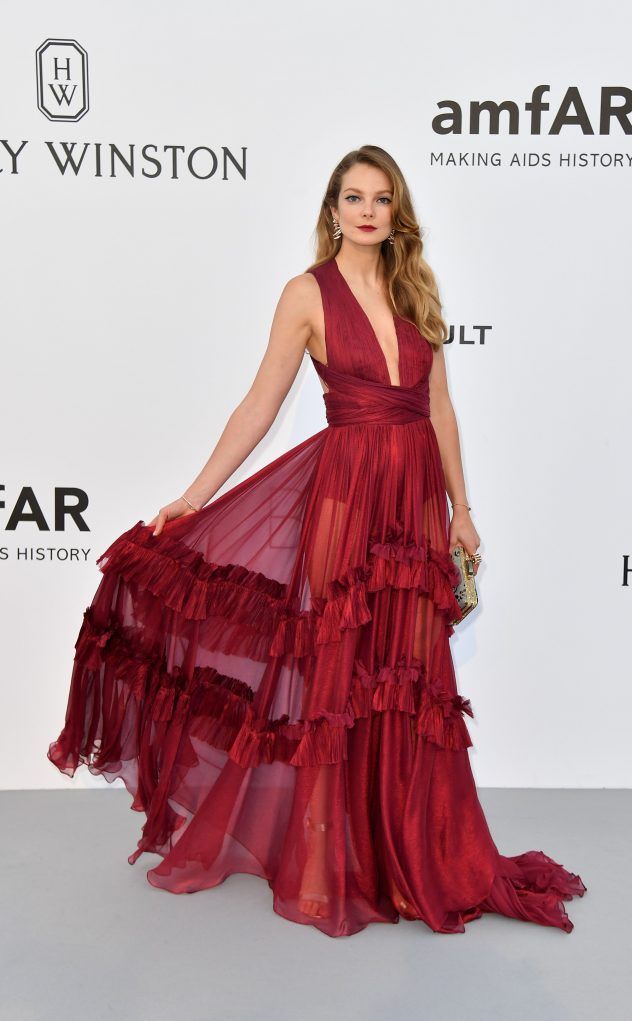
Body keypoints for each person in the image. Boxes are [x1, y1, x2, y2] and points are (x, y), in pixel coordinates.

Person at [47, 144, 586, 937]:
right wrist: (195, 496)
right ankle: (336, 856)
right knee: (339, 677)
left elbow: (438, 408)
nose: (366, 210)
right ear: (332, 210)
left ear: (395, 211)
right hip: (346, 495)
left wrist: (461, 509)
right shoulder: (306, 293)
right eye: (352, 196)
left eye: (380, 198)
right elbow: (259, 405)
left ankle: (409, 851)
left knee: (406, 679)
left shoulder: (415, 289)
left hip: (413, 502)